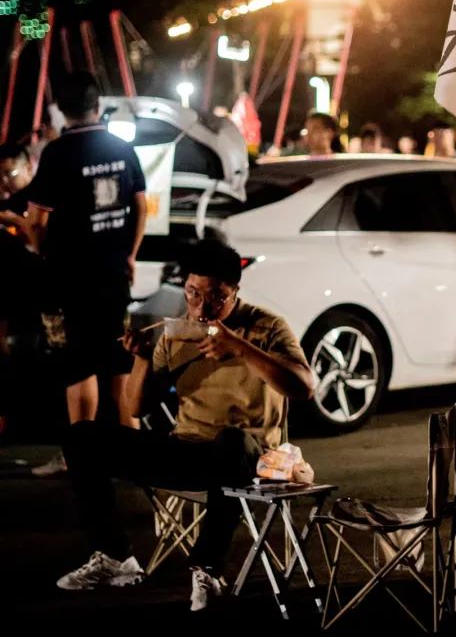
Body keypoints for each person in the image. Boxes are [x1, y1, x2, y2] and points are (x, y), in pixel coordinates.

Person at [57, 239, 316, 611]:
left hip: (251, 458)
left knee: (231, 441)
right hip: (187, 451)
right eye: (193, 293)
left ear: (234, 291)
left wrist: (240, 348)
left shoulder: (266, 326)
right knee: (81, 436)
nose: (201, 307)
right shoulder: (177, 332)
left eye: (215, 297)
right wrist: (143, 359)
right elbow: (135, 407)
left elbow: (305, 387)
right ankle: (115, 556)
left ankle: (208, 568)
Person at [24, 72, 148, 477]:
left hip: (69, 278)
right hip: (114, 275)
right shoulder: (123, 147)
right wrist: (130, 254)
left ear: (61, 109)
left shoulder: (58, 153)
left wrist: (38, 247)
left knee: (80, 366)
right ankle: (134, 457)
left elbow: (38, 220)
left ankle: (82, 458)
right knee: (117, 362)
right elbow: (141, 204)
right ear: (98, 104)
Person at [0, 142, 43, 441]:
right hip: (11, 302)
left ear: (28, 166)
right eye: (0, 176)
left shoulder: (41, 200)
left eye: (10, 173)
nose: (5, 181)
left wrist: (16, 222)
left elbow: (42, 244)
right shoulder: (10, 202)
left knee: (31, 368)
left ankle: (30, 433)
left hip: (35, 302)